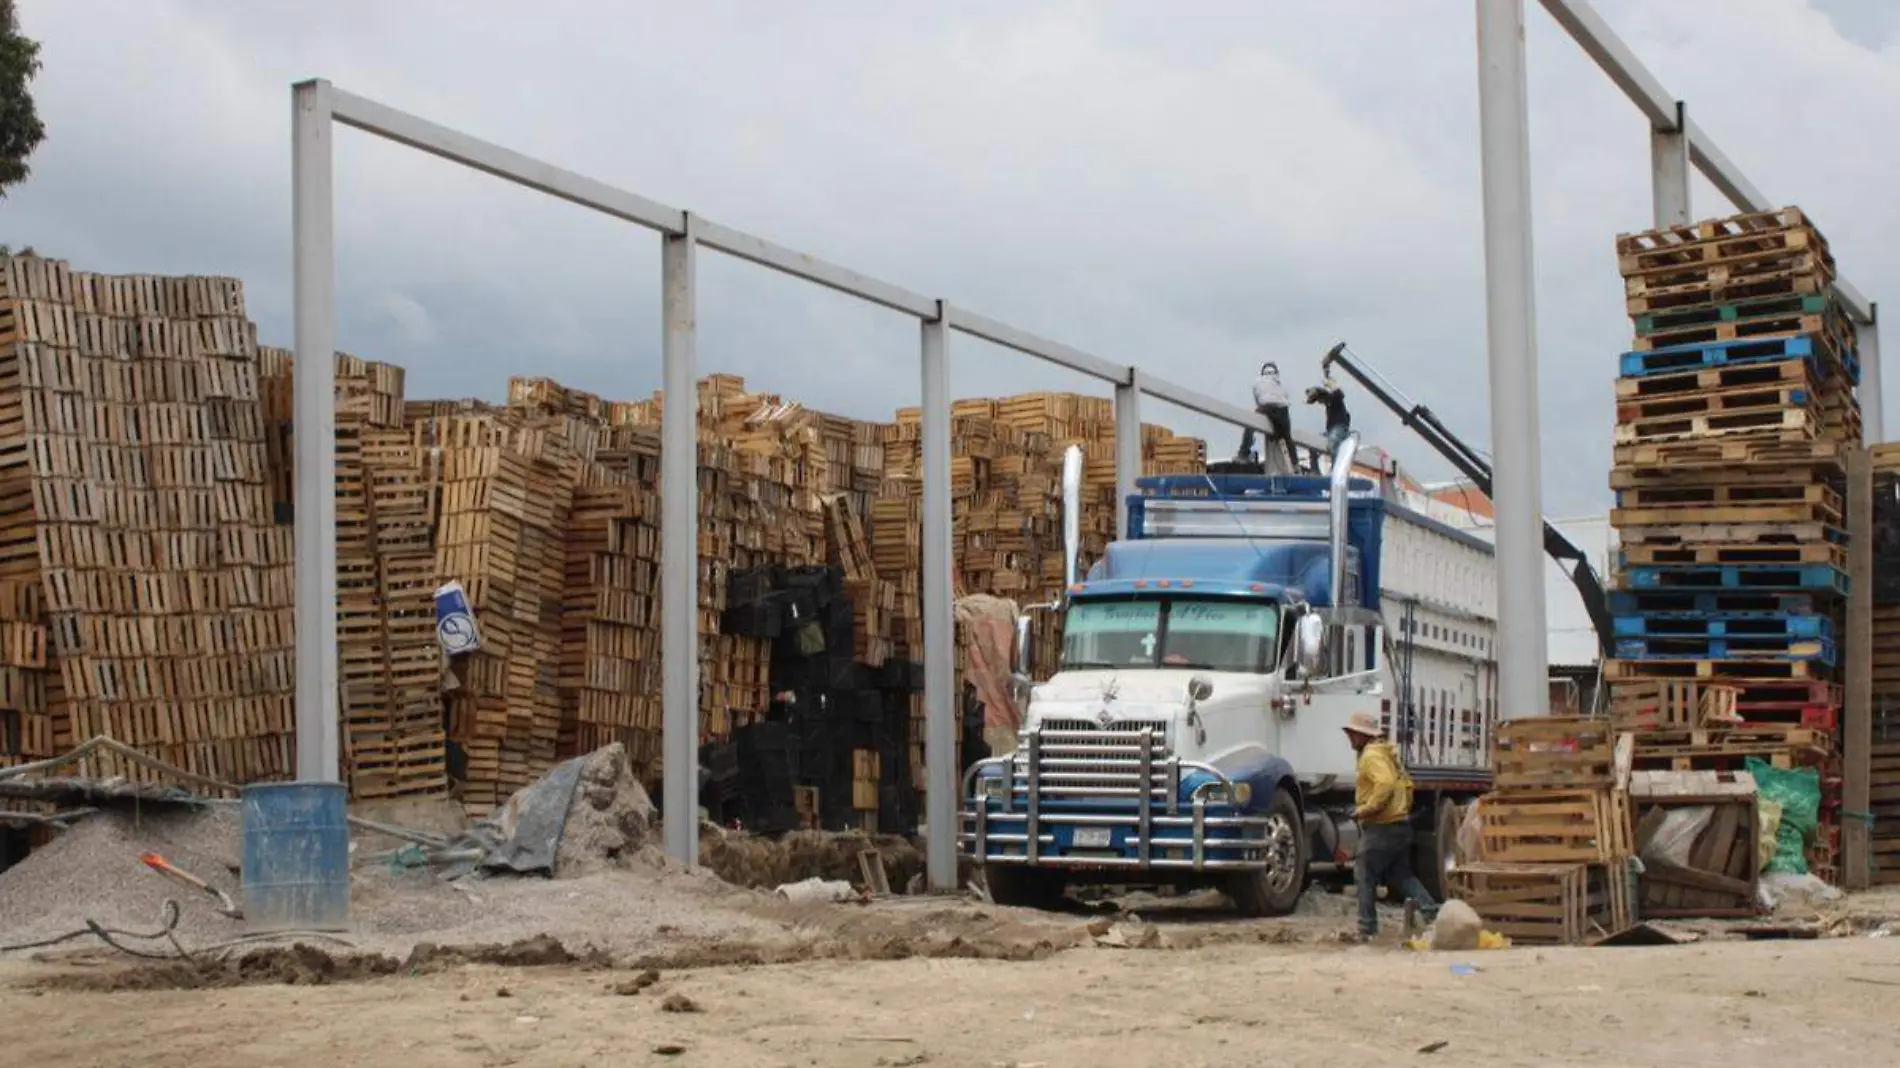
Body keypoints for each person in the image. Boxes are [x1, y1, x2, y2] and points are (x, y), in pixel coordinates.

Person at [1343, 709, 1436, 941]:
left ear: (1363, 735)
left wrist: (1365, 810)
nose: (1350, 738)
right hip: (1398, 824)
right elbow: (1406, 786)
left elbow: (1384, 785)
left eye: (1353, 733)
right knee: (1400, 874)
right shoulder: (1387, 754)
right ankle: (1430, 911)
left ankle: (1366, 928)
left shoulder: (1371, 755)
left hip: (1381, 826)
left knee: (1364, 872)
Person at [1236, 361, 1295, 471]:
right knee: (1287, 437)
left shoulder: (1257, 381)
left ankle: (1243, 453)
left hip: (1266, 406)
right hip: (1282, 409)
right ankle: (1295, 463)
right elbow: (1285, 398)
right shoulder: (1279, 383)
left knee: (1250, 425)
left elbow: (1258, 400)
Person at [1306, 378, 1352, 453]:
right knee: (1313, 445)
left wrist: (1330, 384)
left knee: (1332, 444)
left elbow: (1339, 393)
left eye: (1320, 400)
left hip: (1338, 428)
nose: (1320, 402)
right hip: (1331, 430)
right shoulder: (1329, 405)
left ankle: (1336, 462)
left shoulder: (1334, 399)